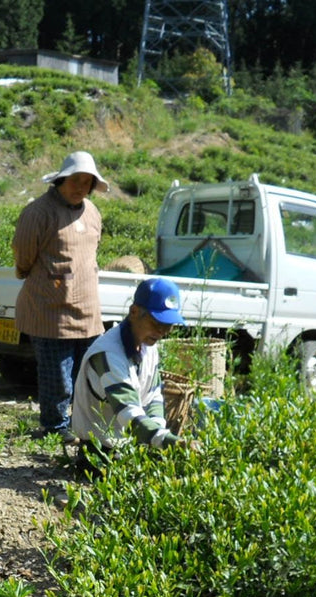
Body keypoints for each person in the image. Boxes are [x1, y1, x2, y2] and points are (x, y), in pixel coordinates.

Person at [12, 151, 108, 437]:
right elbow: (23, 256)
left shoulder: (92, 212)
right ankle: (54, 426)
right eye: (75, 180)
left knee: (86, 374)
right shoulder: (38, 212)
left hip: (87, 309)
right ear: (61, 180)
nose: (80, 187)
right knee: (58, 376)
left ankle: (81, 424)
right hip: (50, 309)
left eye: (87, 182)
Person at [71, 276, 187, 453]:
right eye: (156, 323)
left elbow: (154, 395)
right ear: (134, 312)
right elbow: (129, 413)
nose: (162, 332)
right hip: (102, 450)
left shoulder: (148, 345)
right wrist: (166, 440)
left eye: (168, 326)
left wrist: (156, 435)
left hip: (134, 443)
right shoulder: (108, 353)